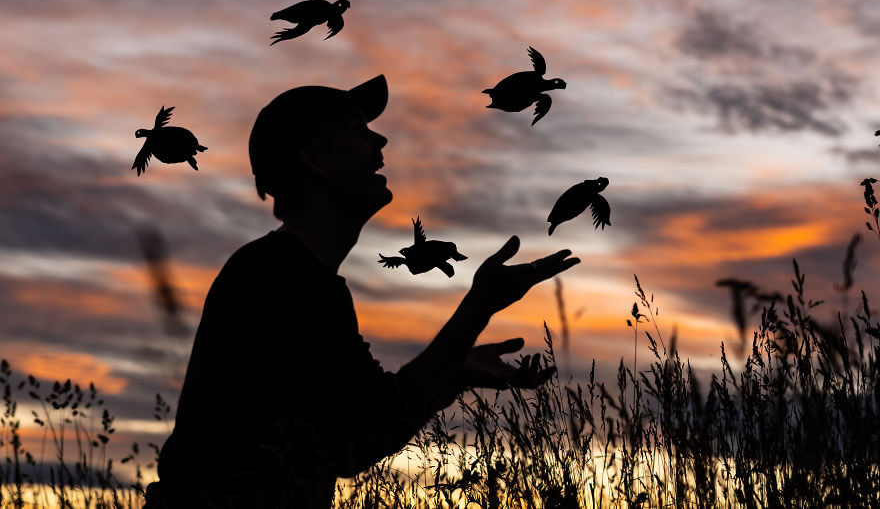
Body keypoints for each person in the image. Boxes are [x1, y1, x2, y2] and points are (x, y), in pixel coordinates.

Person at [144, 75, 580, 507]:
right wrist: (478, 308)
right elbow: (364, 432)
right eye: (358, 129)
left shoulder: (294, 276)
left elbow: (360, 419)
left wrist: (456, 370)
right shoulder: (278, 279)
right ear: (316, 159)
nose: (382, 140)